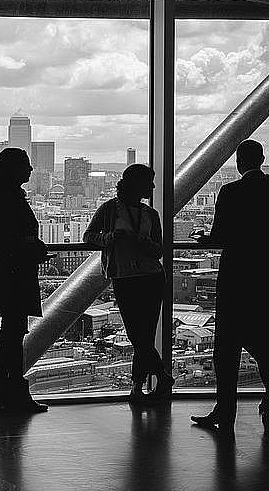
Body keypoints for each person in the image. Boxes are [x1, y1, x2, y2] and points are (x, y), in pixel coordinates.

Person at [191, 140, 269, 430]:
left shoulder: (231, 192)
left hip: (238, 281)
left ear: (239, 162)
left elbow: (221, 237)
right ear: (262, 159)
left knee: (227, 349)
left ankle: (226, 411)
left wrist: (205, 240)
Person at [83, 164, 170, 404]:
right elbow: (88, 236)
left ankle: (138, 386)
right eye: (149, 183)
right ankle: (159, 377)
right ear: (137, 185)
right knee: (139, 335)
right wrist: (111, 237)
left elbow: (158, 250)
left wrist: (137, 241)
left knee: (142, 335)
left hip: (145, 277)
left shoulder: (150, 214)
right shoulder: (111, 209)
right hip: (133, 277)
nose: (153, 187)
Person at [0, 147, 50, 414]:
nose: (31, 170)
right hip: (15, 273)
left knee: (10, 334)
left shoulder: (1, 196)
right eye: (26, 165)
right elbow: (13, 238)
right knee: (13, 335)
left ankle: (4, 391)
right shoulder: (10, 198)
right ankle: (12, 392)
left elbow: (5, 236)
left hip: (6, 272)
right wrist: (34, 249)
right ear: (15, 169)